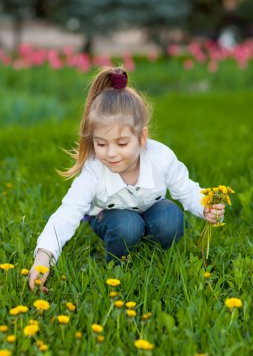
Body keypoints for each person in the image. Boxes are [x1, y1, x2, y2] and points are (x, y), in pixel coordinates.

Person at [29, 66, 225, 292]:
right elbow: (66, 213)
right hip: (109, 217)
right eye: (101, 144)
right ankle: (117, 266)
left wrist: (206, 205)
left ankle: (149, 253)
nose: (111, 153)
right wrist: (43, 257)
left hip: (150, 209)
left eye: (121, 143)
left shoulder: (161, 158)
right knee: (127, 225)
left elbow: (187, 190)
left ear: (142, 137)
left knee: (171, 216)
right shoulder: (94, 170)